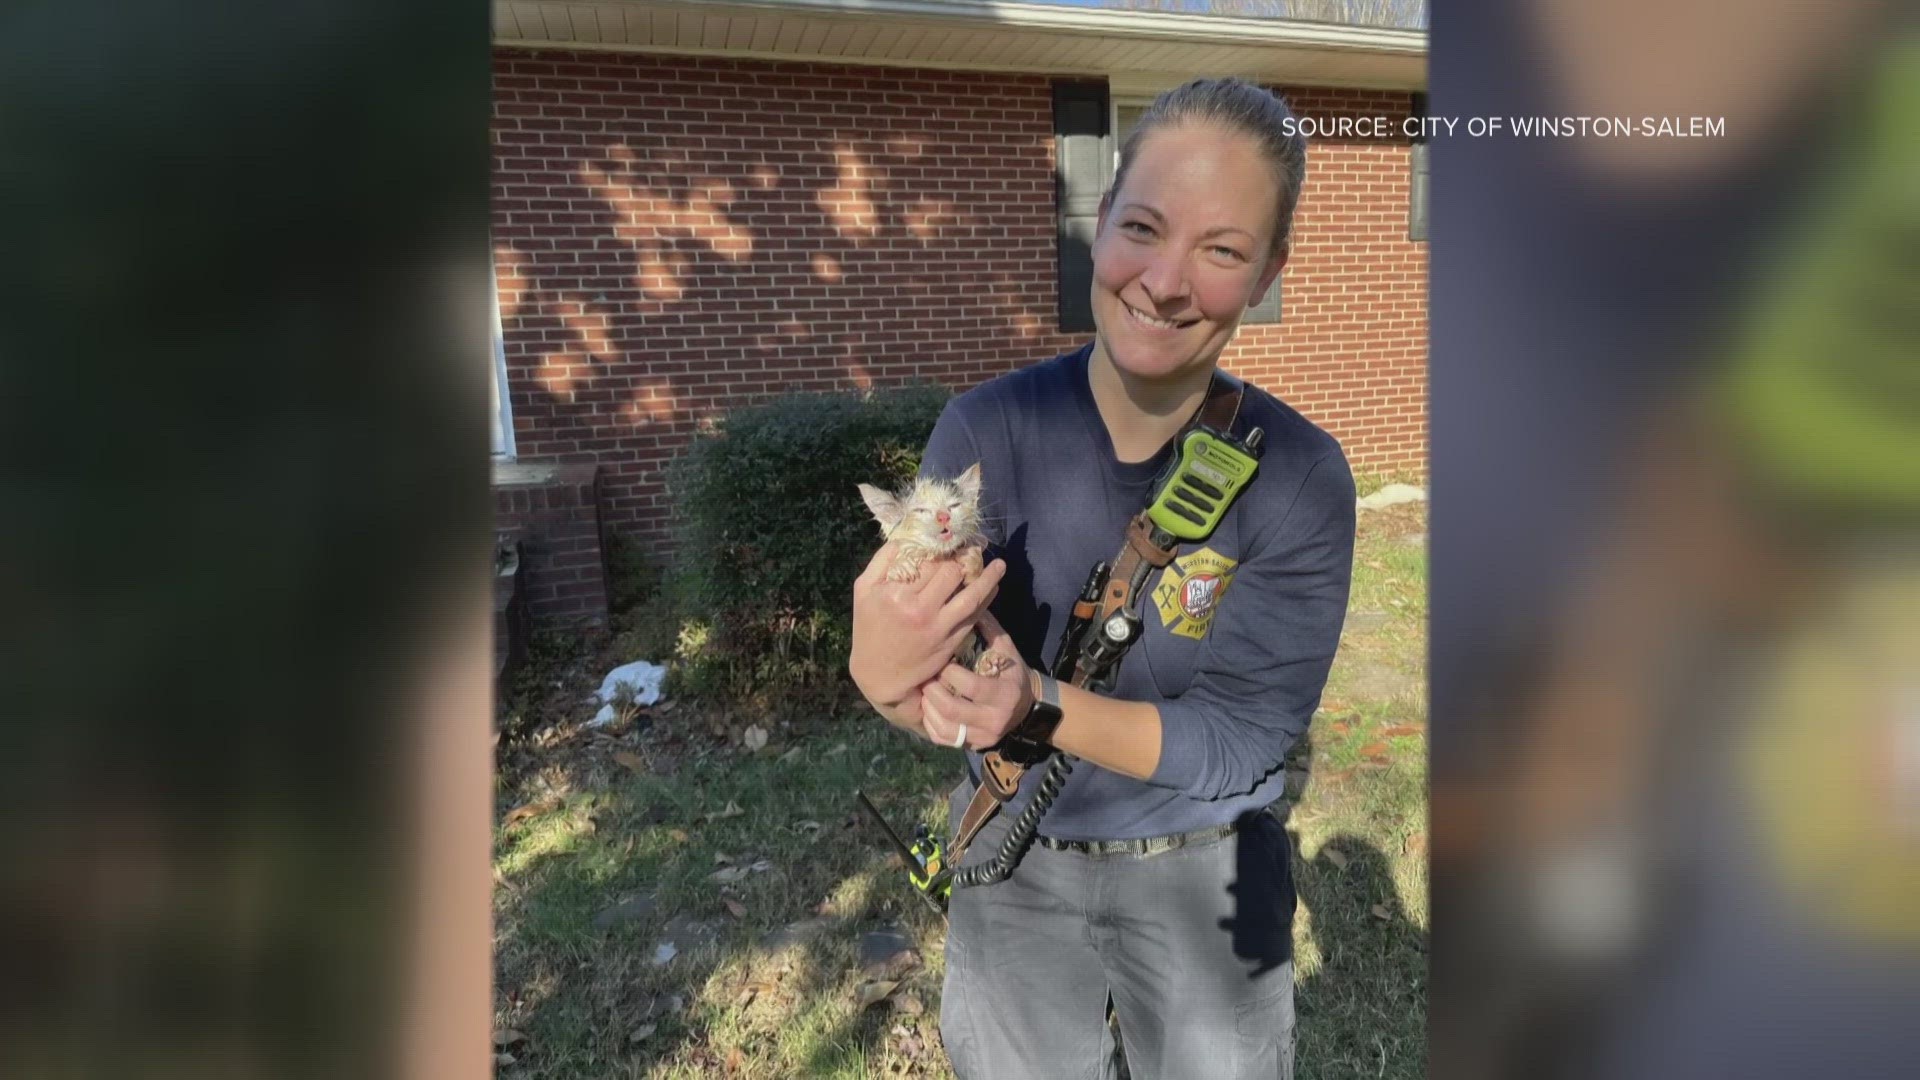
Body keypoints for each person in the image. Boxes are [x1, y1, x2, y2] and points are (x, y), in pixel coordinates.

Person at [849, 78, 1355, 1080]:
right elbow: (941, 695)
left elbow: (1247, 737)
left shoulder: (1297, 475)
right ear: (1100, 225)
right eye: (1144, 228)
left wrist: (1037, 702)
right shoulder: (985, 431)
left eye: (1221, 249)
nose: (1166, 282)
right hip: (1015, 863)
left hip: (1207, 868)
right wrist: (884, 677)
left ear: (1267, 273)